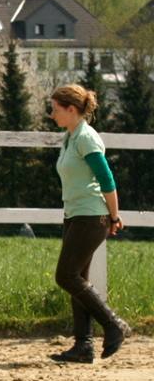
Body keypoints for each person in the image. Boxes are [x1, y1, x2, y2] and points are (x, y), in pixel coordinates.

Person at [47, 83, 130, 363]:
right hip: (75, 215)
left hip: (92, 216)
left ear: (71, 110)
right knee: (77, 279)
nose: (52, 114)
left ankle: (113, 324)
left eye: (55, 109)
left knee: (66, 276)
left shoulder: (86, 138)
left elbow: (106, 179)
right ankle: (83, 346)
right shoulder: (70, 137)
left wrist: (114, 216)